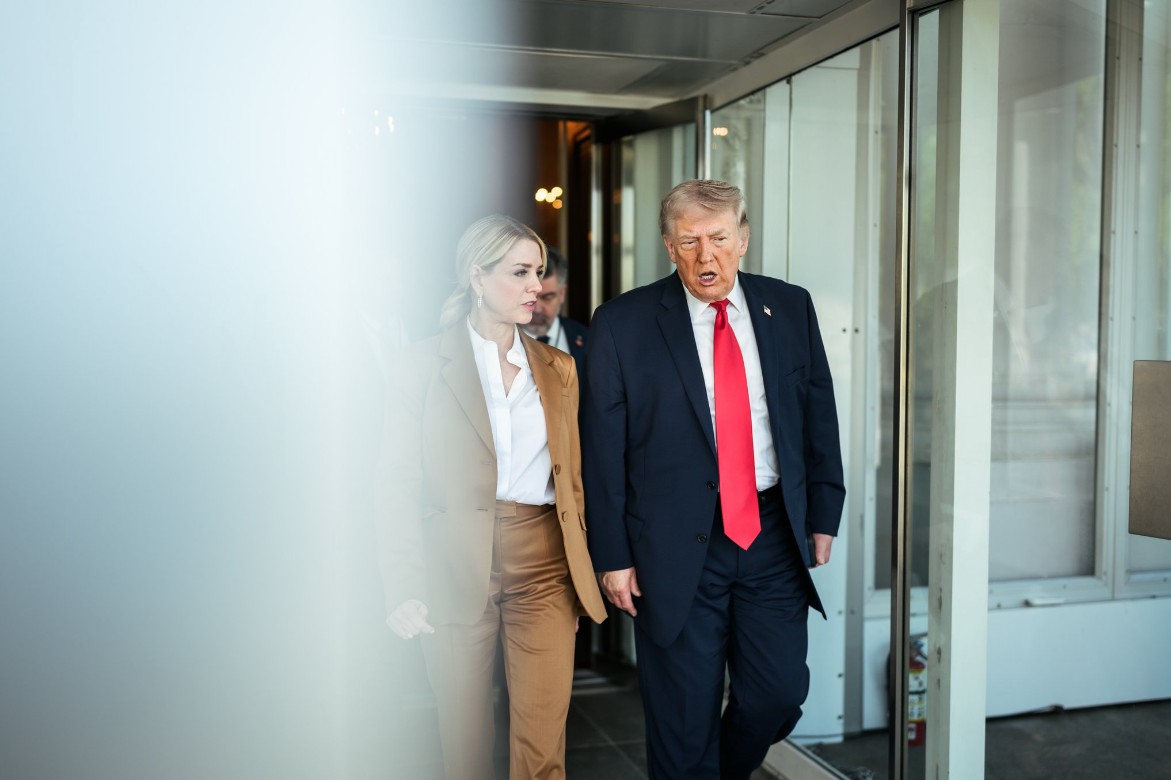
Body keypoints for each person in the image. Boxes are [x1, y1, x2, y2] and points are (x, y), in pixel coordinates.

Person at [582, 180, 846, 779]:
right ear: (669, 248)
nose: (708, 256)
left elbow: (817, 414)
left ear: (743, 239)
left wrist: (823, 512)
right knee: (683, 718)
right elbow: (602, 451)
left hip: (771, 530)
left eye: (720, 238)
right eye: (691, 241)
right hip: (669, 547)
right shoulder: (622, 324)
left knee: (776, 694)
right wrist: (612, 555)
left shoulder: (790, 306)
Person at [375, 214, 607, 780]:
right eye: (521, 272)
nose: (538, 286)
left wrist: (582, 575)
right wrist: (404, 585)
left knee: (543, 745)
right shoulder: (419, 365)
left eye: (541, 273)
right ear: (477, 277)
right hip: (452, 564)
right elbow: (395, 484)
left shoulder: (561, 368)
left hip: (545, 567)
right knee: (465, 745)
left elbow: (573, 481)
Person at [523, 246, 588, 371]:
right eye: (531, 296)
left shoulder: (588, 341)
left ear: (562, 293)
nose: (537, 309)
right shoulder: (496, 340)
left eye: (547, 297)